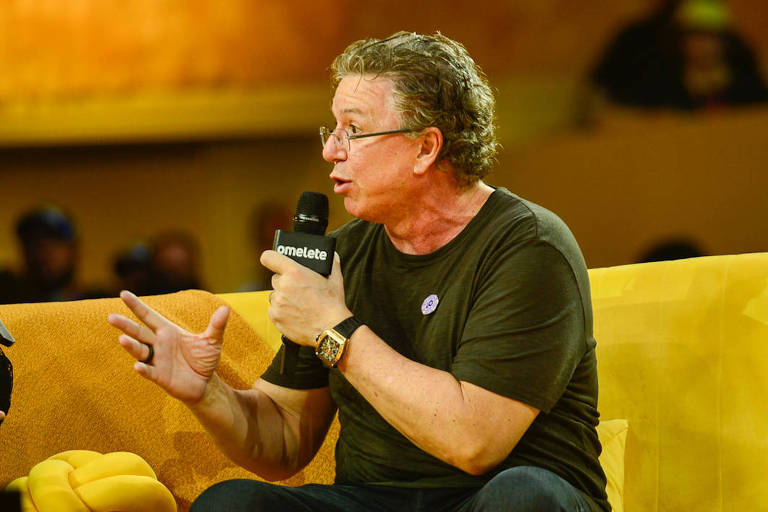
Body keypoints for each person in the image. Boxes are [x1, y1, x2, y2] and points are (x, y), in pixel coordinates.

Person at [108, 31, 609, 511]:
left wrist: (335, 328)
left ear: (425, 147)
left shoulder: (529, 245)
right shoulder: (342, 254)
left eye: (355, 129)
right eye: (333, 129)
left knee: (523, 498)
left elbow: (474, 442)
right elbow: (283, 440)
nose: (331, 150)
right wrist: (208, 392)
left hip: (499, 496)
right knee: (232, 503)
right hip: (375, 499)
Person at [585, 0, 767, 116]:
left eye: (711, 36)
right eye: (695, 36)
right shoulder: (661, 84)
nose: (703, 44)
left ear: (725, 41)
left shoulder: (746, 85)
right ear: (680, 42)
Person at [0, 205, 106, 304]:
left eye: (53, 242)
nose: (42, 252)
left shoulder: (100, 304)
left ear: (74, 249)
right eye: (32, 243)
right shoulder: (8, 302)